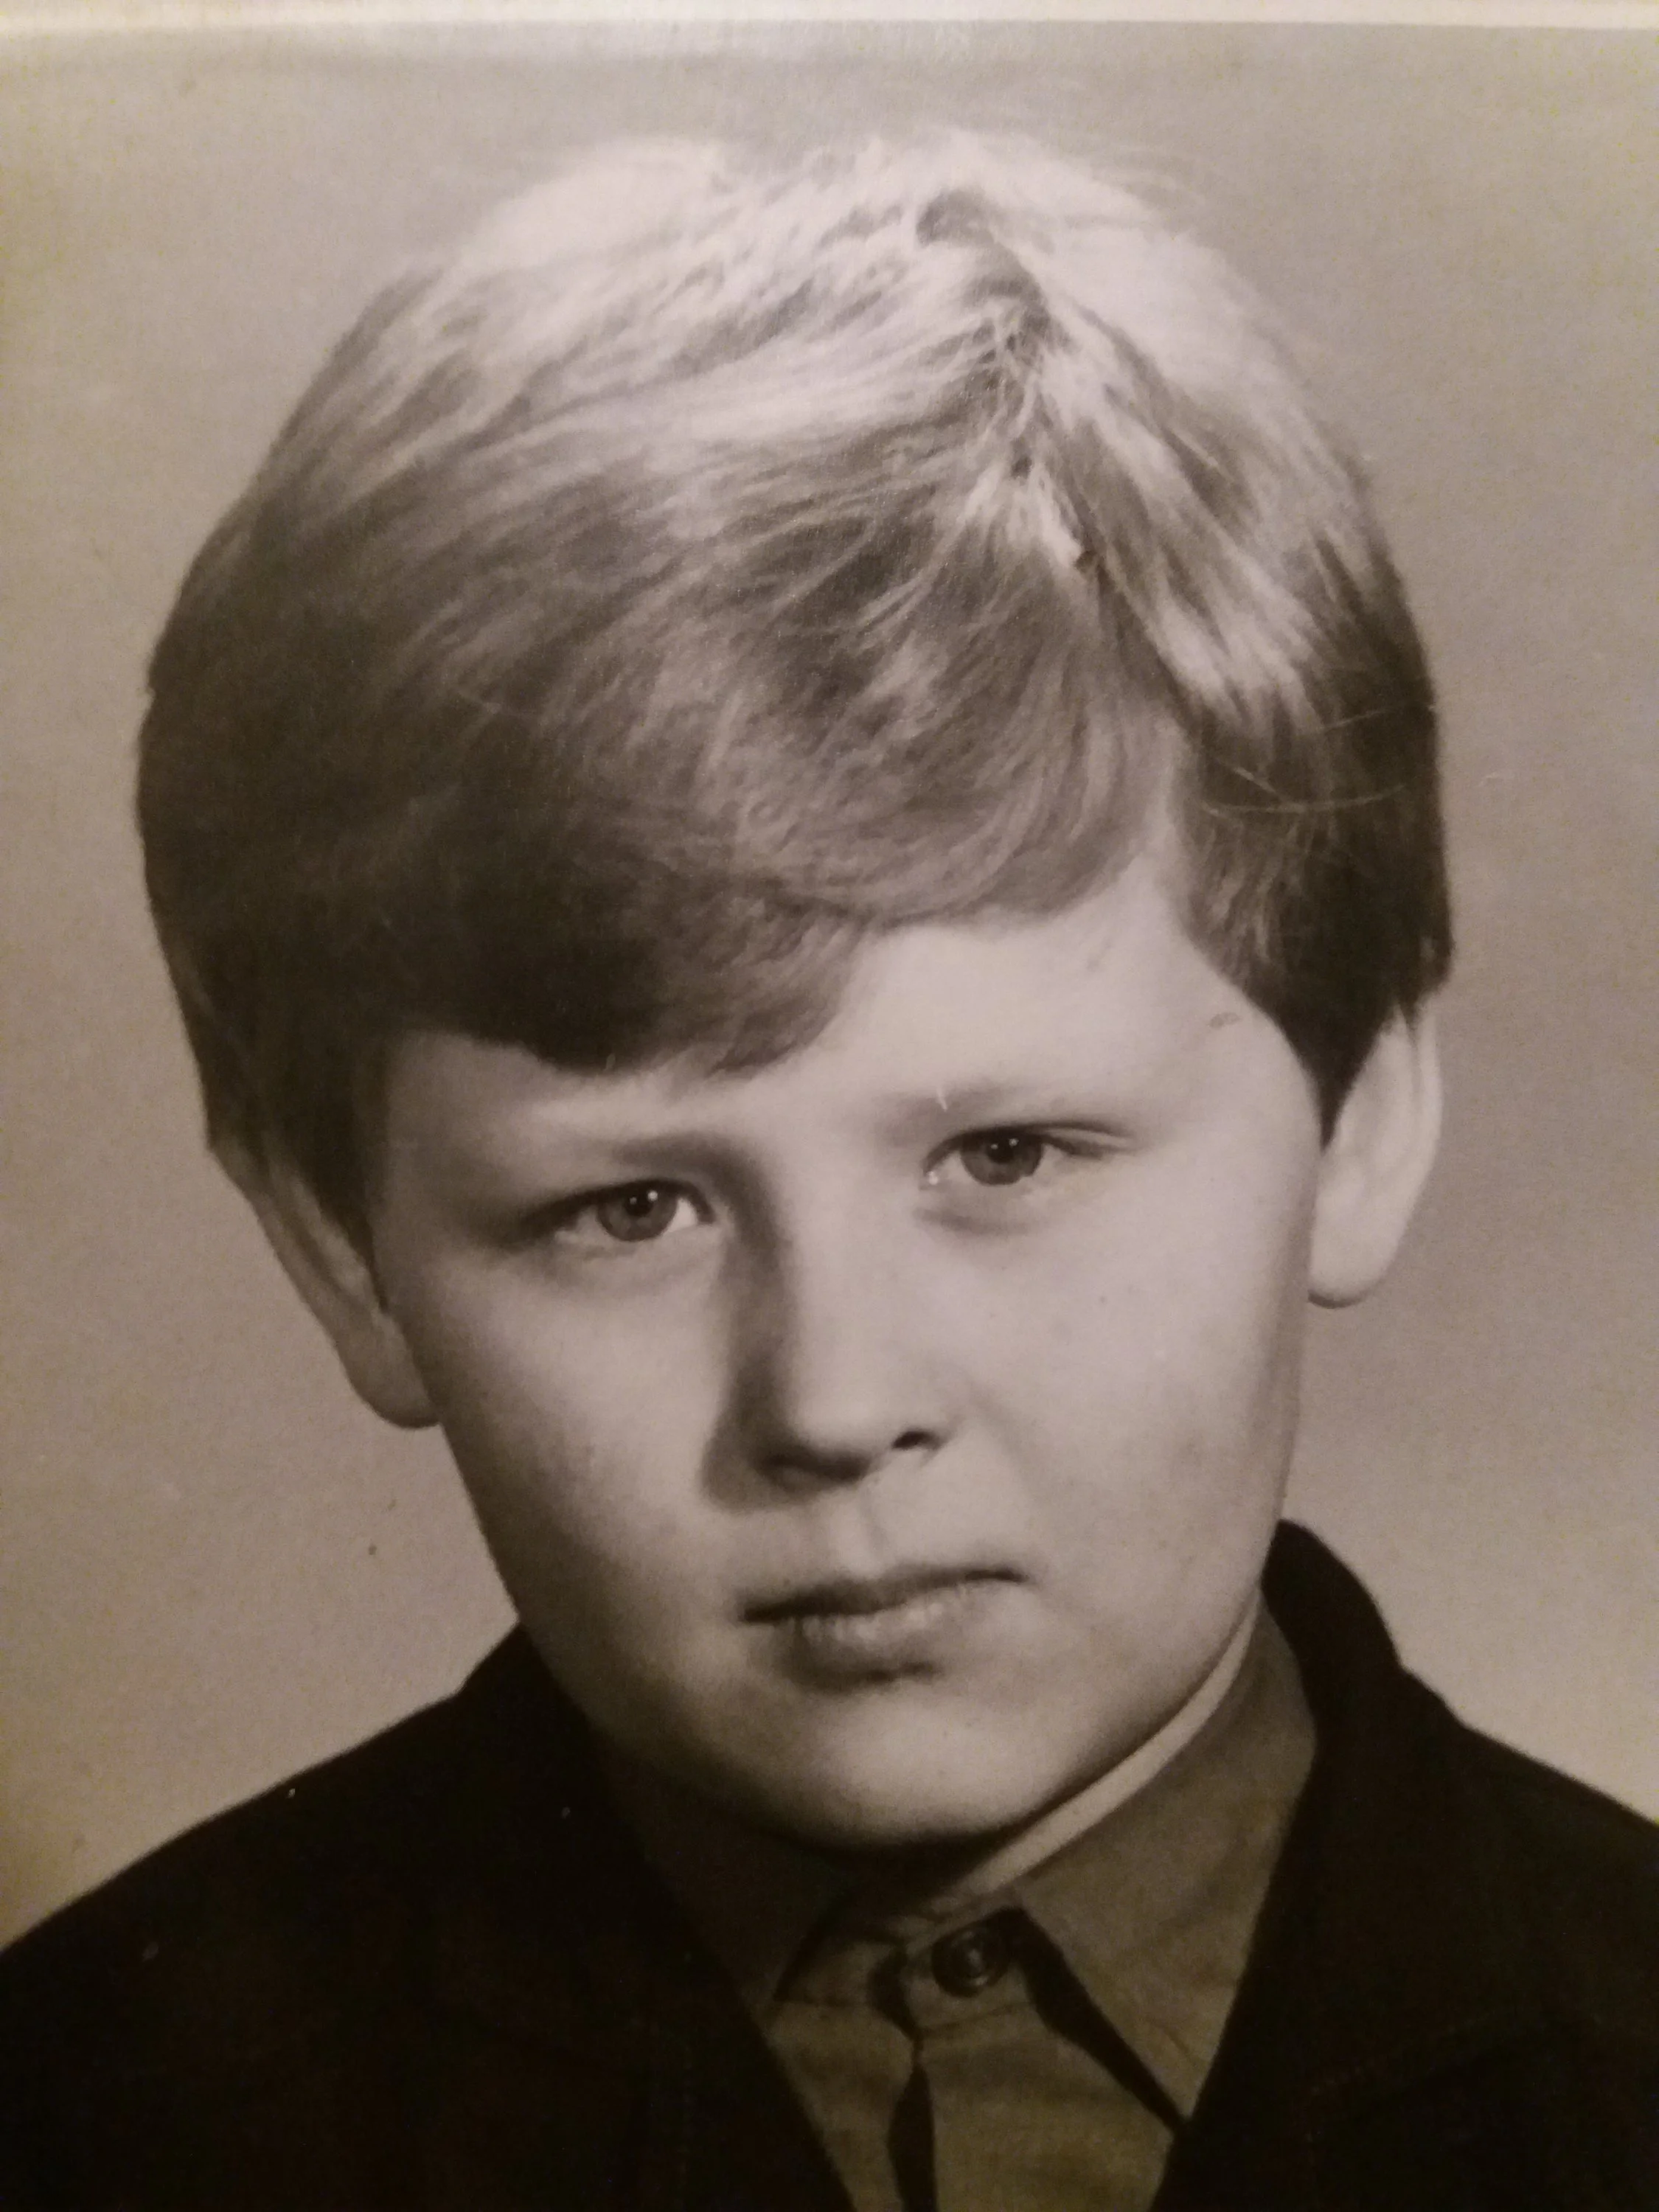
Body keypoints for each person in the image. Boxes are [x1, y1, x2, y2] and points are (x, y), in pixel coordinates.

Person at [1, 133, 1653, 2212]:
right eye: (632, 1208)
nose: (837, 1400)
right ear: (343, 1247)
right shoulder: (92, 2125)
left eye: (1005, 1154)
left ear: (1364, 1119)